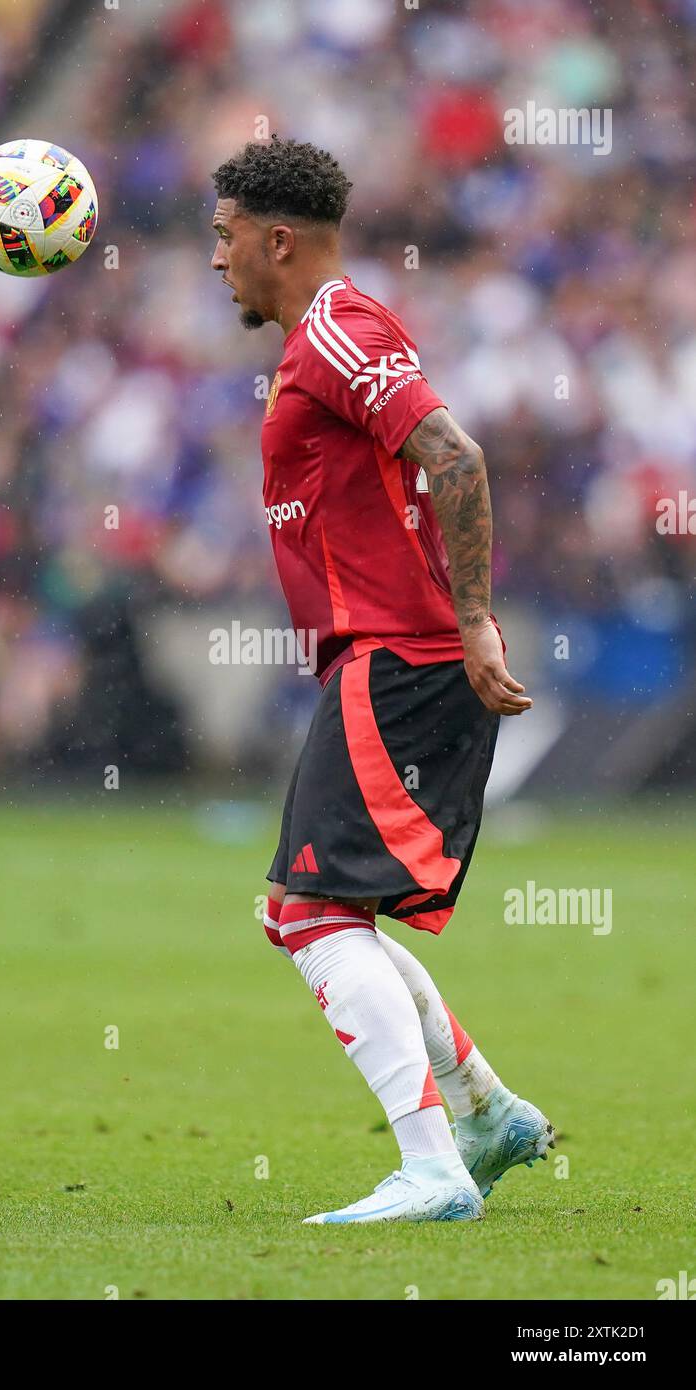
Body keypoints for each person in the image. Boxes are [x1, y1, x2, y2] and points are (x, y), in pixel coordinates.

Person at [211, 136, 553, 1224]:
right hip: (388, 658)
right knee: (315, 909)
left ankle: (431, 1169)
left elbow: (452, 455)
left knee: (309, 914)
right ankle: (484, 1113)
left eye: (223, 238)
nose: (213, 260)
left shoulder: (335, 334)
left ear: (276, 240)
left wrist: (470, 623)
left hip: (399, 659)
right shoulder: (326, 336)